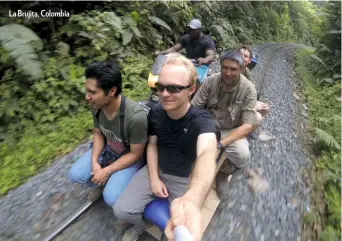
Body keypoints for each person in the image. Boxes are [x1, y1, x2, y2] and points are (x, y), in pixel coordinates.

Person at [113, 54, 220, 241]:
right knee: (121, 210)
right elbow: (152, 145)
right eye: (160, 87)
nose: (164, 94)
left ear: (191, 89)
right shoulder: (155, 112)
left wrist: (193, 198)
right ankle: (141, 226)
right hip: (157, 169)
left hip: (184, 179)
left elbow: (207, 152)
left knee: (181, 229)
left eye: (174, 88)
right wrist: (154, 178)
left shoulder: (202, 122)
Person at [68, 61, 148, 208]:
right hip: (108, 150)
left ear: (111, 91)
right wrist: (95, 162)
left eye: (93, 92)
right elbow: (98, 134)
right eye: (87, 91)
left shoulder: (136, 117)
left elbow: (136, 154)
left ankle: (128, 199)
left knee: (111, 198)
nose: (87, 97)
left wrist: (106, 171)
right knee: (75, 174)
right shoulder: (97, 106)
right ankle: (102, 182)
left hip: (128, 156)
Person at [191, 49, 259, 176]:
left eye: (233, 69)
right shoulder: (211, 81)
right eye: (225, 68)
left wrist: (221, 144)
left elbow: (248, 125)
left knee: (242, 155)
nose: (228, 73)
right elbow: (195, 107)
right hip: (208, 124)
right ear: (221, 66)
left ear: (241, 68)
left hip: (231, 129)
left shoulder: (249, 89)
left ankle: (223, 173)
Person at [239, 45, 270, 121]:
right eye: (240, 55)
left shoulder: (246, 71)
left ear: (249, 60)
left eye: (245, 56)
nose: (242, 57)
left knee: (264, 108)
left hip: (242, 98)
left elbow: (250, 89)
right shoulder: (230, 67)